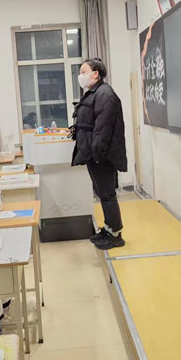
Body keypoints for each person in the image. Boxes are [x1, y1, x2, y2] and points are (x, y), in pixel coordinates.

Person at [71, 58, 127, 250]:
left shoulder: (105, 94)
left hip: (101, 155)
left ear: (95, 74)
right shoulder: (94, 93)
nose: (80, 75)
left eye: (83, 71)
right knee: (102, 194)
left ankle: (115, 235)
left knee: (107, 194)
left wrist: (97, 154)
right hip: (93, 153)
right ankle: (108, 229)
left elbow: (103, 129)